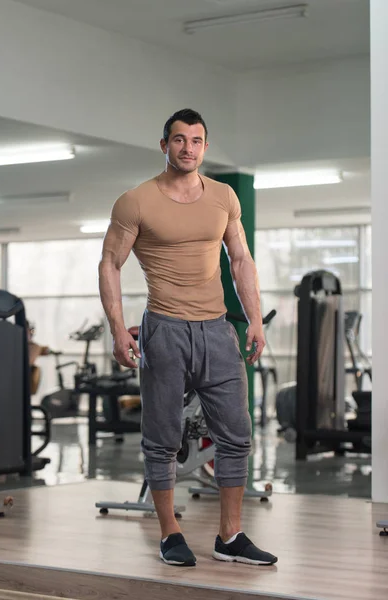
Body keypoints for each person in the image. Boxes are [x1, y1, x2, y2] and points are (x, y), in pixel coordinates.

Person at [99, 108, 278, 568]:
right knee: (162, 439)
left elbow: (240, 260)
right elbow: (110, 265)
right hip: (165, 328)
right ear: (165, 146)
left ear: (205, 146)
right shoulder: (135, 201)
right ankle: (169, 533)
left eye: (196, 141)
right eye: (179, 140)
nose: (188, 148)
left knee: (237, 436)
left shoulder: (223, 197)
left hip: (218, 331)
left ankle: (230, 535)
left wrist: (254, 320)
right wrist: (118, 329)